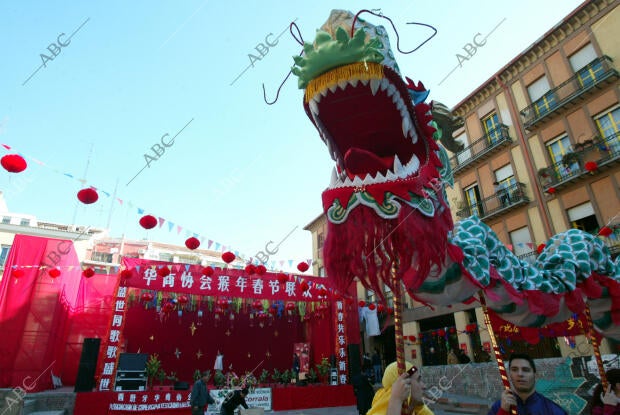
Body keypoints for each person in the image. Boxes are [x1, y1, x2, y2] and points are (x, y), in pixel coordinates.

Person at [488, 353, 567, 415]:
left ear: (535, 375)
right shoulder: (499, 407)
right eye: (514, 369)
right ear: (509, 375)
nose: (520, 374)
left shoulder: (552, 410)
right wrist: (503, 412)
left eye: (526, 370)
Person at [368, 361, 433, 415]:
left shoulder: (417, 409)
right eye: (418, 380)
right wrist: (396, 400)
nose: (424, 386)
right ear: (403, 387)